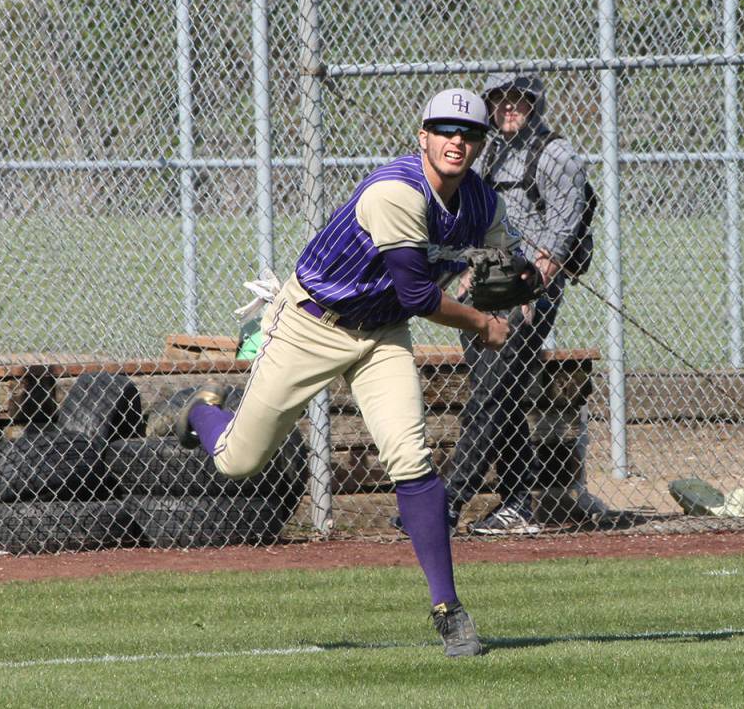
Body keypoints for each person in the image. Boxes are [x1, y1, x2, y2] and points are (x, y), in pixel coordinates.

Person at [176, 87, 536, 658]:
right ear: (423, 137)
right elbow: (418, 292)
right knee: (238, 462)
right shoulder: (396, 191)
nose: (456, 141)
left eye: (468, 134)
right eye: (444, 130)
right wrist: (482, 323)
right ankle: (200, 411)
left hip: (381, 334)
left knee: (410, 456)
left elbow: (504, 264)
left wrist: (527, 284)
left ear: (480, 144)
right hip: (311, 323)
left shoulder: (483, 204)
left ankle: (448, 609)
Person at [446, 73, 593, 535]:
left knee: (490, 393)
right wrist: (464, 274)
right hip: (484, 288)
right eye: (499, 100)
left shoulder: (557, 154)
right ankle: (518, 504)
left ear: (535, 104)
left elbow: (565, 228)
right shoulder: (488, 152)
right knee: (502, 393)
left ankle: (447, 500)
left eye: (519, 100)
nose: (508, 107)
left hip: (528, 295)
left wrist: (533, 291)